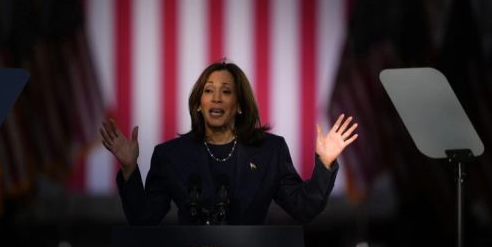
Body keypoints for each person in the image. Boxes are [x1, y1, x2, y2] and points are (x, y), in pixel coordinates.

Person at [99, 61, 358, 225]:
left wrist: (325, 163)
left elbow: (304, 208)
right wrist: (129, 169)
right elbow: (144, 218)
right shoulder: (170, 155)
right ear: (199, 105)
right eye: (209, 91)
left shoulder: (270, 152)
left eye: (226, 91)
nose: (216, 98)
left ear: (241, 106)